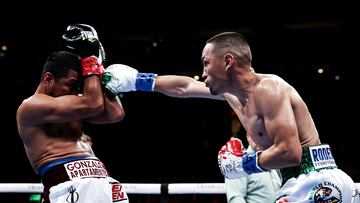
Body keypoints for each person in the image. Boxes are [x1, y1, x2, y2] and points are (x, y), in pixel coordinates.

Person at [101, 31, 359, 202]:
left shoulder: (268, 88)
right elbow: (184, 87)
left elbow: (290, 153)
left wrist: (243, 165)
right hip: (299, 180)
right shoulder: (234, 95)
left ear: (227, 61)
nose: (202, 73)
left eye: (205, 62)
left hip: (315, 178)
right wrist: (138, 81)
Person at [16, 24, 129, 203]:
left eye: (79, 86)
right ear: (48, 79)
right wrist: (90, 58)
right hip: (66, 181)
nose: (76, 91)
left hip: (102, 179)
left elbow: (115, 113)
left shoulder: (72, 106)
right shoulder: (31, 107)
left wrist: (97, 70)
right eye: (71, 85)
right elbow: (93, 103)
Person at [221, 113, 281, 203]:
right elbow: (236, 199)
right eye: (256, 134)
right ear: (248, 136)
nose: (259, 139)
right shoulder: (238, 162)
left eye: (262, 134)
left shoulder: (273, 161)